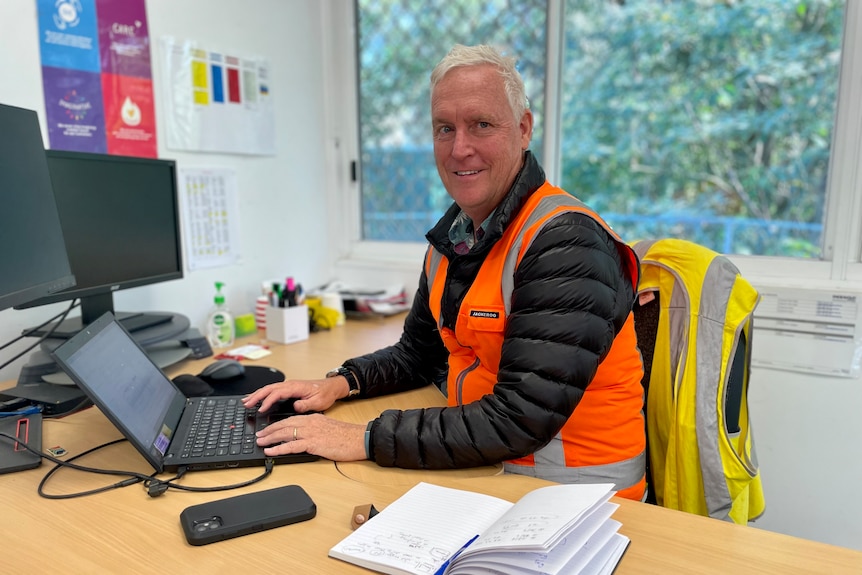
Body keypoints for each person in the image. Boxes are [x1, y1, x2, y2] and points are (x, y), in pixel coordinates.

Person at [243, 44, 647, 499]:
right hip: (493, 469)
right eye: (444, 128)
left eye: (481, 125)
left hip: (582, 500)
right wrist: (338, 383)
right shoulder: (455, 239)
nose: (459, 148)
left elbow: (520, 419)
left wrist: (365, 437)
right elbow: (419, 354)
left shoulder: (565, 243)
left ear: (523, 129)